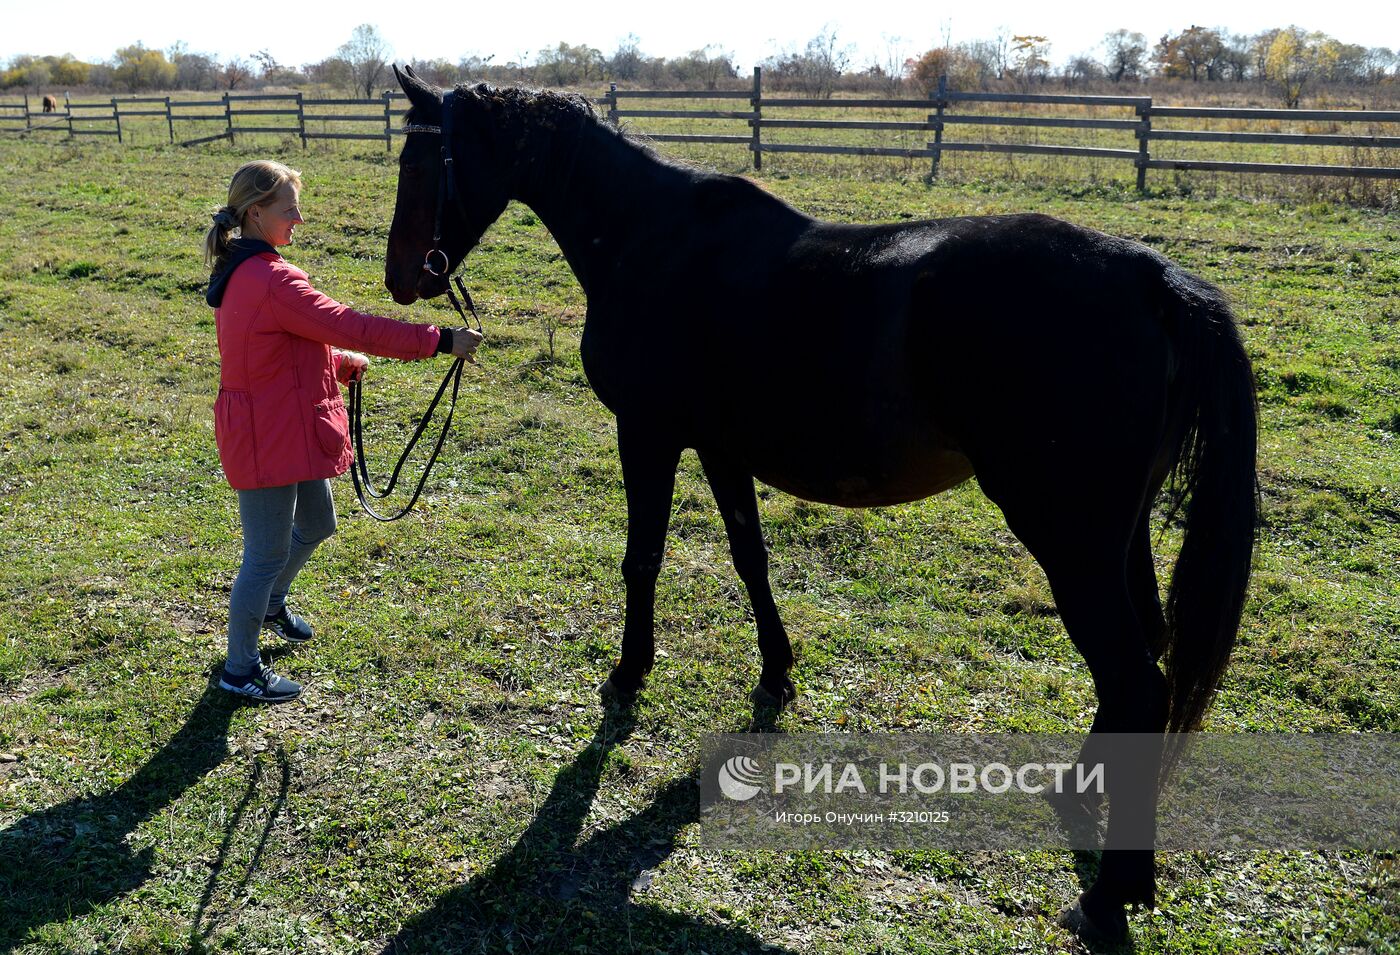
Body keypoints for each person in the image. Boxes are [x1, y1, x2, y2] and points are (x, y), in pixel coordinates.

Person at [204, 159, 481, 703]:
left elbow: (275, 348)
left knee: (318, 522)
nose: (298, 219)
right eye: (289, 210)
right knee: (263, 553)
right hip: (267, 434)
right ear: (257, 214)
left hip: (281, 423)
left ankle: (272, 604)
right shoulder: (272, 280)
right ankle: (240, 669)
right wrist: (440, 339)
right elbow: (349, 324)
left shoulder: (251, 271)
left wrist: (334, 364)